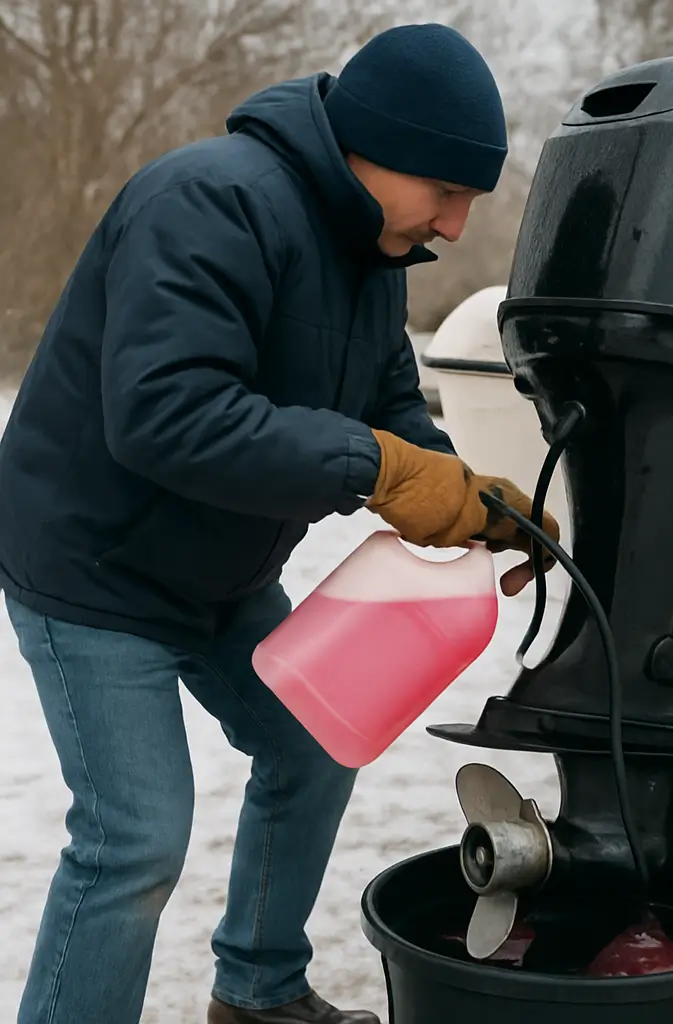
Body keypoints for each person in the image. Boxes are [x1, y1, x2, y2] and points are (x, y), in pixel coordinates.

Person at [0, 22, 559, 1024]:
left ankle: (255, 992)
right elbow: (166, 415)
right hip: (91, 567)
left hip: (218, 571)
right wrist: (378, 470)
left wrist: (469, 501)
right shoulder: (210, 200)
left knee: (316, 741)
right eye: (447, 193)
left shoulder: (369, 251)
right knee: (133, 838)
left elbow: (387, 408)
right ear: (376, 149)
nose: (457, 225)